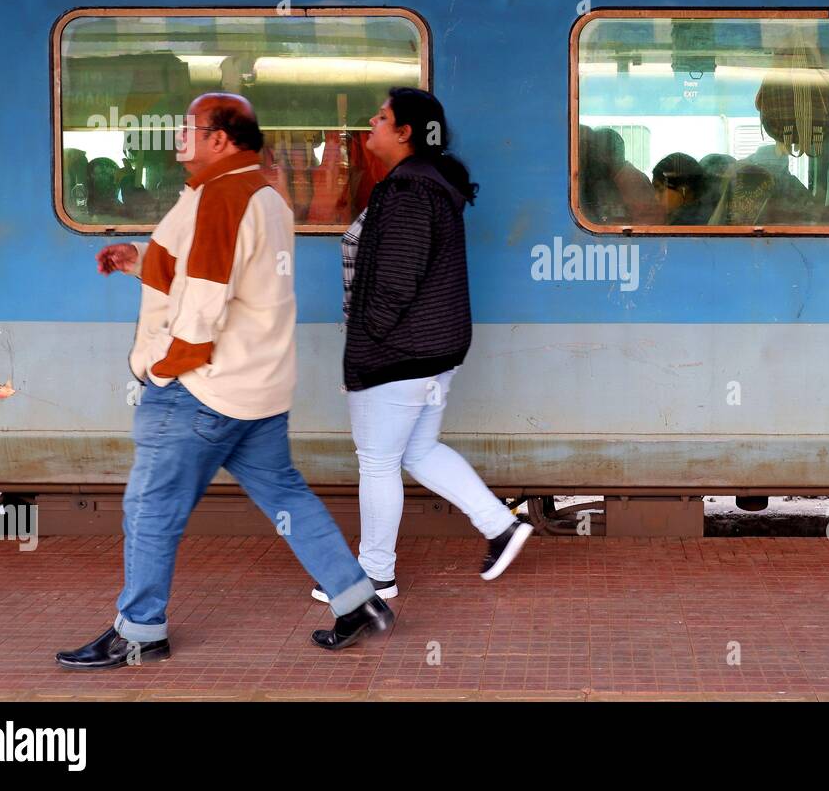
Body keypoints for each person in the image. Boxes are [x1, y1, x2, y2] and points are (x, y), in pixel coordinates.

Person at [56, 93, 393, 670]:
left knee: (151, 507)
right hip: (256, 389)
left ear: (220, 140)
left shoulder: (221, 196)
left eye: (190, 126)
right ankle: (358, 600)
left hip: (200, 391)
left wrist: (162, 368)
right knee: (286, 495)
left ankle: (139, 630)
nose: (179, 135)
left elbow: (206, 301)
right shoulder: (263, 195)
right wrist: (140, 260)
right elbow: (216, 271)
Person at [309, 87, 532, 606]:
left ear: (405, 133)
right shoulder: (423, 184)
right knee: (418, 450)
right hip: (431, 350)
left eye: (381, 117)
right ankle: (500, 526)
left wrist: (367, 344)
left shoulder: (409, 191)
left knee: (378, 461)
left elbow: (395, 282)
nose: (372, 121)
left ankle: (374, 576)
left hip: (399, 355)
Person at [651, 153, 715, 225]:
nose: (655, 197)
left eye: (661, 190)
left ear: (684, 189)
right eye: (653, 190)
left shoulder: (686, 225)